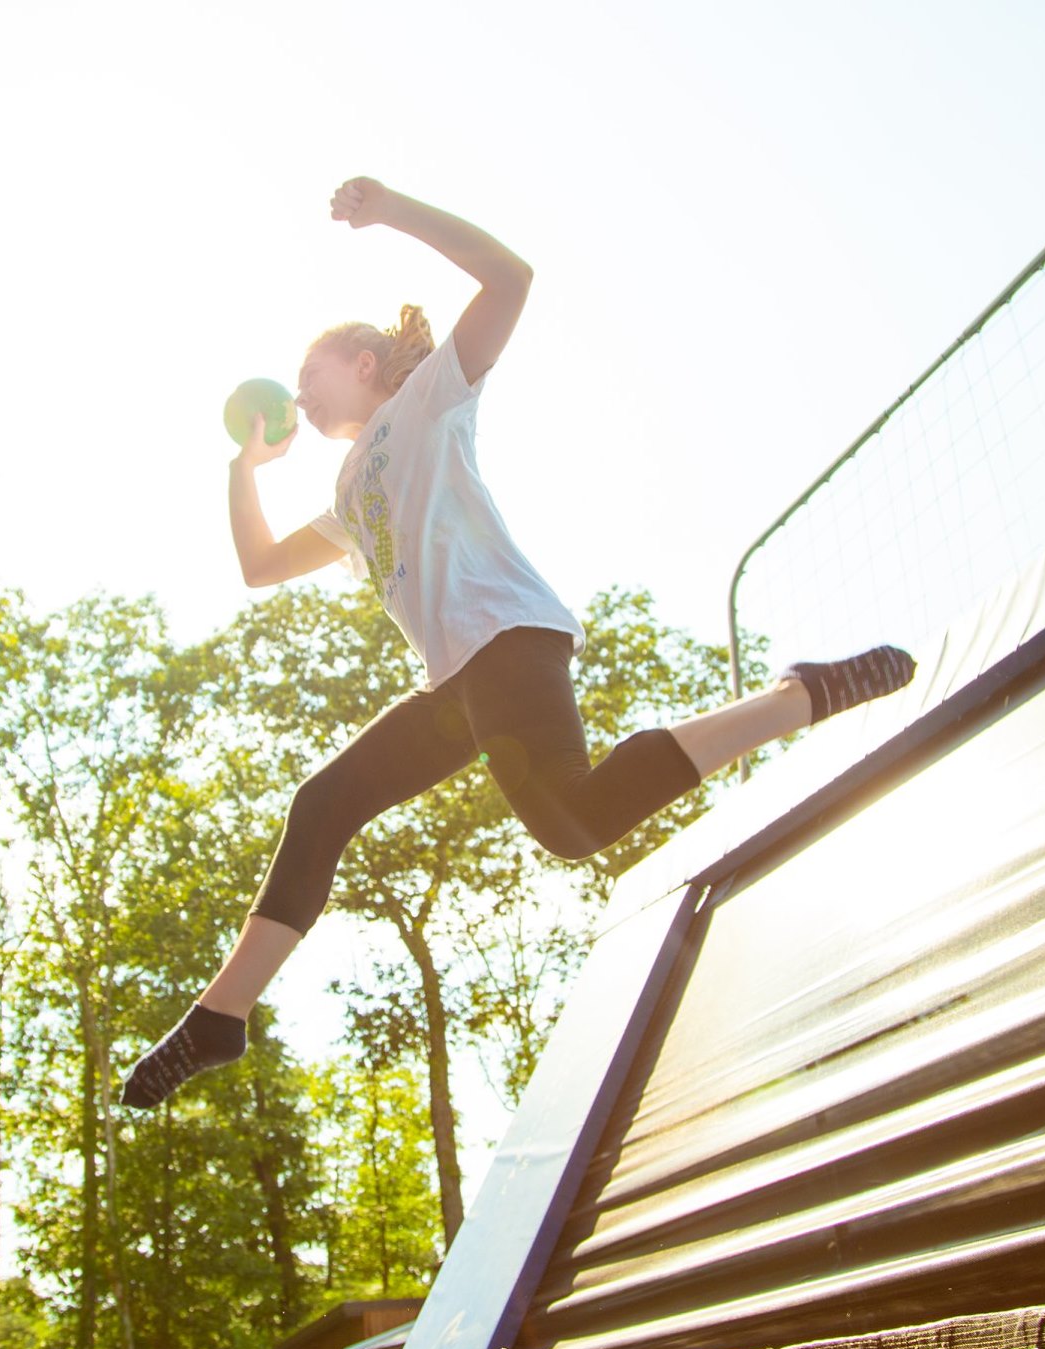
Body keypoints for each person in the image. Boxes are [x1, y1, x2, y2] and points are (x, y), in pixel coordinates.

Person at [121, 178, 914, 1109]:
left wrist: (391, 216)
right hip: (456, 682)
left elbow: (510, 275)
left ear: (369, 363)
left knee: (572, 822)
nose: (299, 389)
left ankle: (796, 697)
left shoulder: (430, 401)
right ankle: (221, 1017)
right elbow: (258, 566)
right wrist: (240, 469)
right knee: (327, 802)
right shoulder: (345, 494)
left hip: (508, 637)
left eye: (315, 370)